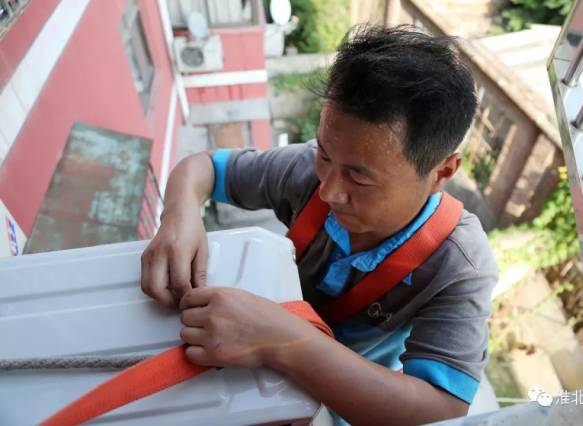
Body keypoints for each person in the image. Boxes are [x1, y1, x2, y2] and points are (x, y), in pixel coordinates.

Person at [141, 25, 498, 425]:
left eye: (360, 178)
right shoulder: (304, 174)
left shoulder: (459, 265)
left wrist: (284, 340)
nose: (328, 191)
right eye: (325, 155)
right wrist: (179, 216)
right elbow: (203, 167)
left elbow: (441, 407)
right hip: (243, 370)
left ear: (441, 172)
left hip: (340, 405)